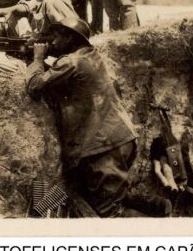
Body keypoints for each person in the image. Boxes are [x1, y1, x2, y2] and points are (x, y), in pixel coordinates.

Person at [25, 17, 139, 217]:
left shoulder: (72, 62)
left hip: (102, 148)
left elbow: (35, 85)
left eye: (57, 37)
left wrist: (37, 59)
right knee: (74, 197)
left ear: (69, 39)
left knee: (109, 214)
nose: (52, 42)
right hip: (106, 144)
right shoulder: (88, 55)